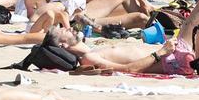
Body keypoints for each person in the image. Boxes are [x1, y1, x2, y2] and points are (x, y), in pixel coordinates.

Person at [51, 27, 188, 75]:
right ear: (63, 45)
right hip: (173, 60)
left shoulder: (92, 47)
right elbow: (127, 69)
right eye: (64, 31)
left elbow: (80, 18)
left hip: (172, 50)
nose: (69, 28)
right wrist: (161, 52)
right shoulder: (88, 59)